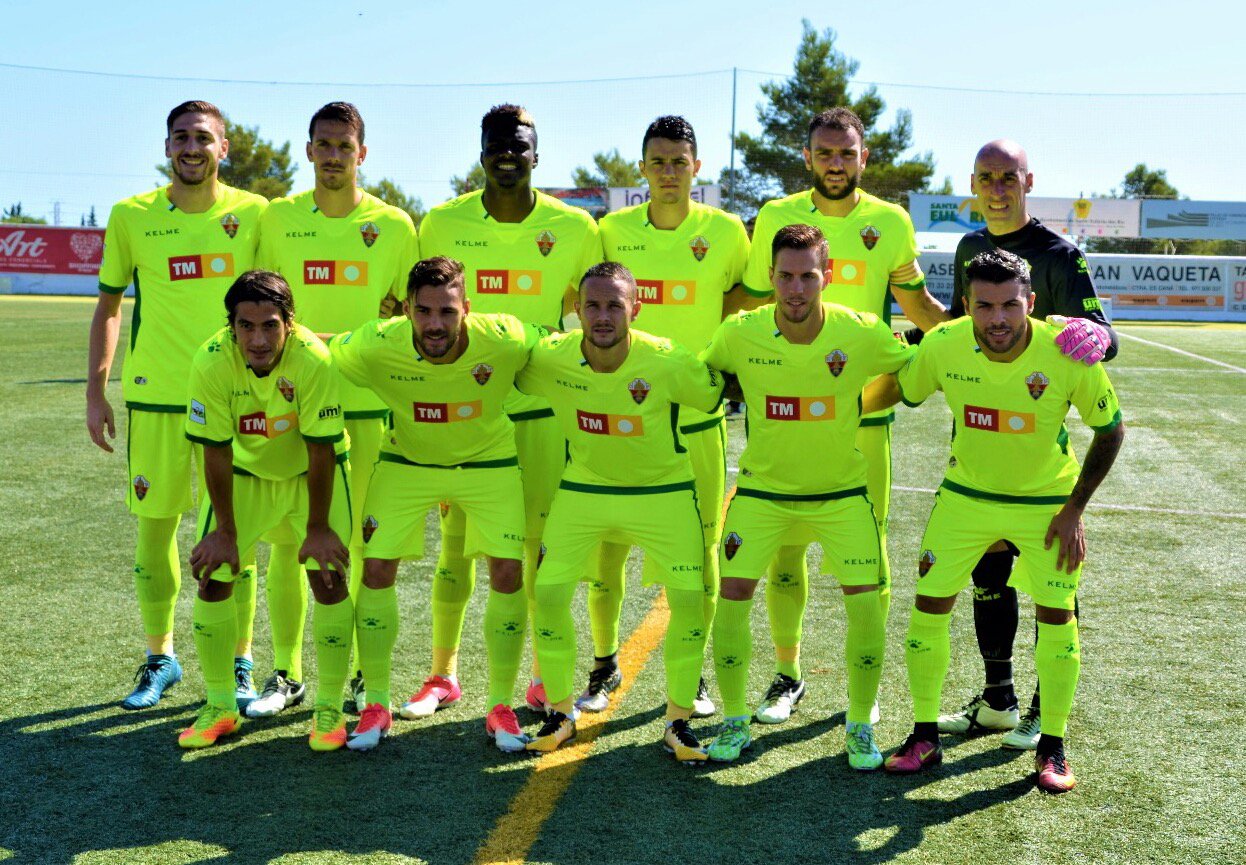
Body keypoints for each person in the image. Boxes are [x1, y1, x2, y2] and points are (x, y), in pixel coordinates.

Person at [871, 249, 1125, 793]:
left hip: (1046, 506)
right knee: (929, 605)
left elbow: (1111, 431)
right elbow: (904, 388)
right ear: (966, 306)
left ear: (1031, 303)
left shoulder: (1067, 353)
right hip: (966, 497)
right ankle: (923, 736)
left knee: (1057, 617)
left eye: (1010, 305)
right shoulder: (943, 344)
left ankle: (1053, 746)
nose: (998, 320)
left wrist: (1074, 509)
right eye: (984, 307)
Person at [740, 107, 946, 723]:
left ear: (864, 158)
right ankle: (788, 674)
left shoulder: (891, 221)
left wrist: (978, 340)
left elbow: (917, 304)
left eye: (847, 153)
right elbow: (753, 304)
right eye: (825, 153)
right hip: (786, 415)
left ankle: (866, 680)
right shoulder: (776, 217)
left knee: (870, 554)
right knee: (784, 553)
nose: (836, 163)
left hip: (863, 415)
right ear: (807, 158)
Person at [702, 224, 914, 769]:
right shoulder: (739, 331)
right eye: (786, 276)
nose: (796, 289)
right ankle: (732, 720)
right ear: (770, 276)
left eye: (808, 276)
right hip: (761, 494)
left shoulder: (861, 332)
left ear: (830, 275)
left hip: (843, 496)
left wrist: (861, 402)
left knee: (866, 604)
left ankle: (861, 723)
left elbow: (911, 368)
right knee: (733, 599)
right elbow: (708, 374)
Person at [417, 104, 603, 716]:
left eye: (519, 145)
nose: (507, 154)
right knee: (456, 548)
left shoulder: (575, 228)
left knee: (541, 550)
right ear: (481, 153)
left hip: (545, 418)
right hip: (468, 417)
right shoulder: (440, 224)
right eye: (497, 144)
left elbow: (588, 316)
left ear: (536, 154)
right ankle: (442, 675)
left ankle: (545, 677)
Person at [933, 139, 1118, 748]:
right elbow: (959, 330)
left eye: (1007, 177)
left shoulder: (1059, 255)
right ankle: (998, 700)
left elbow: (1104, 338)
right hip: (979, 447)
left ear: (1027, 180)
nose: (996, 187)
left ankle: (1044, 709)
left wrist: (1087, 336)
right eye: (985, 177)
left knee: (1050, 592)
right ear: (973, 183)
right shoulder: (968, 248)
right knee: (989, 576)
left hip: (1040, 458)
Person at [87, 101, 267, 711]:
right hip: (157, 400)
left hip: (237, 396)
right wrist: (96, 389)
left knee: (231, 533)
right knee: (154, 533)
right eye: (182, 137)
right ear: (168, 147)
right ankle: (160, 658)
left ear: (224, 149)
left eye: (204, 138)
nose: (192, 147)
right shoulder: (131, 215)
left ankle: (239, 661)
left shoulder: (255, 214)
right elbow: (110, 306)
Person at [328, 256, 542, 753]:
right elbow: (318, 349)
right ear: (406, 310)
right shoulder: (376, 343)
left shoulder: (505, 336)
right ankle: (376, 704)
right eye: (423, 312)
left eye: (447, 312)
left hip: (488, 463)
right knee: (376, 567)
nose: (435, 324)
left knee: (508, 572)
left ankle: (500, 706)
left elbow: (555, 342)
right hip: (407, 462)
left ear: (467, 308)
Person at [516, 262, 724, 761]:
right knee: (546, 593)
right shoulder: (551, 358)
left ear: (637, 307)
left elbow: (716, 391)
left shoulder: (668, 360)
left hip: (664, 492)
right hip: (584, 489)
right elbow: (508, 365)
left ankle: (678, 721)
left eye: (614, 304)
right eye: (592, 305)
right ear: (578, 310)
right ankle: (560, 713)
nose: (603, 315)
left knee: (690, 602)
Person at [255, 101, 419, 718]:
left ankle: (357, 675)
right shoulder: (277, 219)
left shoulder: (395, 225)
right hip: (291, 407)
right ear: (308, 151)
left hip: (368, 406)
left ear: (362, 154)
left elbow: (407, 315)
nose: (332, 157)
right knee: (286, 541)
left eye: (343, 147)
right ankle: (287, 672)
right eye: (322, 146)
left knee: (363, 540)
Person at [586, 115, 750, 716]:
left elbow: (744, 302)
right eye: (658, 162)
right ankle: (604, 664)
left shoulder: (729, 232)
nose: (669, 173)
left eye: (680, 162)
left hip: (696, 422)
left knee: (699, 549)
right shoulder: (611, 231)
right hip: (617, 421)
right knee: (607, 547)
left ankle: (693, 670)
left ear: (697, 168)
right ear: (642, 169)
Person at [180, 270, 353, 750]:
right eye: (246, 326)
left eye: (270, 325)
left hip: (310, 475)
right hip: (246, 476)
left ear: (290, 323)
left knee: (328, 575)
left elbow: (321, 449)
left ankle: (331, 708)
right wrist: (226, 532)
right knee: (214, 575)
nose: (258, 339)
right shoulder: (211, 361)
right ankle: (219, 706)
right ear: (231, 325)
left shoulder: (314, 359)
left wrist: (317, 527)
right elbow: (214, 450)